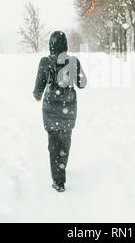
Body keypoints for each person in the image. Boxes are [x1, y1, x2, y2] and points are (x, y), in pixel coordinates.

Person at [33, 31, 87, 192]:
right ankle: (61, 167)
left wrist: (37, 96)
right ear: (65, 45)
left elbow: (38, 89)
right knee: (65, 141)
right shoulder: (73, 61)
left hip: (50, 111)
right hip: (68, 110)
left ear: (51, 45)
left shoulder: (45, 62)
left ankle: (58, 180)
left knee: (54, 144)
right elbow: (82, 84)